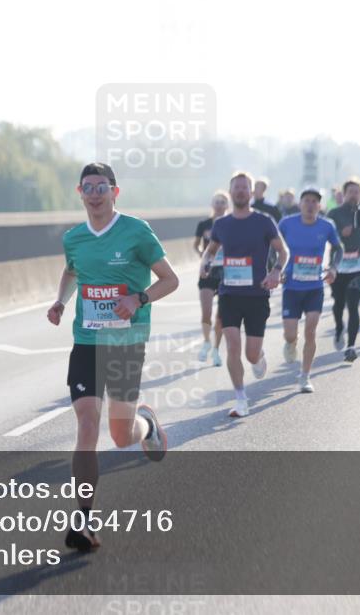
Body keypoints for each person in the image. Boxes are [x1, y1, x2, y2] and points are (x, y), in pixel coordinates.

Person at [47, 162, 179, 552]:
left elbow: (171, 280)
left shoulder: (136, 231)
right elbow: (72, 272)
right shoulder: (74, 237)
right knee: (87, 425)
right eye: (87, 187)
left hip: (126, 340)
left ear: (114, 192)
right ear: (80, 192)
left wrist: (138, 298)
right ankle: (84, 520)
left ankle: (147, 426)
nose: (94, 194)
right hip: (87, 341)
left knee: (121, 436)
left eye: (101, 187)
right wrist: (59, 301)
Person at [200, 171, 287, 418]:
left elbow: (283, 252)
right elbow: (210, 250)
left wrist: (276, 272)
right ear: (231, 192)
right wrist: (206, 262)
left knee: (250, 354)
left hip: (257, 294)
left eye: (244, 188)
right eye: (236, 188)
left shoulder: (264, 221)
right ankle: (240, 398)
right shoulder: (221, 224)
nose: (240, 191)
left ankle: (258, 356)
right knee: (232, 346)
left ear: (251, 192)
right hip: (229, 294)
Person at [278, 187, 342, 392]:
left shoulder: (326, 226)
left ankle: (304, 376)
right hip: (291, 286)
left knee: (311, 331)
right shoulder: (286, 224)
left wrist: (333, 267)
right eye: (306, 200)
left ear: (319, 205)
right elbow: (273, 247)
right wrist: (275, 269)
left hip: (314, 286)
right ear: (300, 203)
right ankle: (290, 343)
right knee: (290, 333)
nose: (310, 204)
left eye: (315, 201)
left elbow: (338, 248)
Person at [327, 181, 360, 362]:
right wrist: (341, 233)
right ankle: (339, 327)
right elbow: (326, 236)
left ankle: (351, 346)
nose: (354, 195)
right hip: (338, 265)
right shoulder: (334, 213)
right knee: (339, 304)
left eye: (357, 192)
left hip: (357, 265)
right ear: (344, 193)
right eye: (351, 192)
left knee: (353, 305)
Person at [193, 191, 229, 367]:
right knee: (206, 312)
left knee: (221, 315)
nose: (220, 205)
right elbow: (196, 244)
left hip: (226, 272)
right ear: (212, 204)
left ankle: (216, 349)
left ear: (227, 205)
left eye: (223, 202)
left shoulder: (232, 224)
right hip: (208, 271)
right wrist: (203, 258)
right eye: (217, 202)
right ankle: (207, 340)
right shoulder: (204, 224)